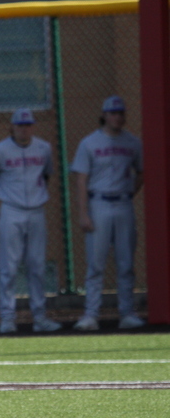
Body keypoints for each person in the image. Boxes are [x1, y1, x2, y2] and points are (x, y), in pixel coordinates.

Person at [0, 108, 62, 334]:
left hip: (36, 211)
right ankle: (7, 318)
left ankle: (40, 317)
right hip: (11, 211)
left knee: (37, 266)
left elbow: (46, 175)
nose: (24, 129)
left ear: (33, 126)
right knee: (9, 267)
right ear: (12, 127)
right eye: (20, 125)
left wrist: (37, 195)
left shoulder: (43, 148)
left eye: (28, 125)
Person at [71, 96, 145, 331]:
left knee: (125, 262)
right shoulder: (89, 143)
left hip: (123, 203)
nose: (117, 117)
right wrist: (83, 213)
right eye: (113, 113)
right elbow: (81, 180)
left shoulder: (133, 142)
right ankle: (91, 314)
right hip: (99, 203)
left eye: (120, 113)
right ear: (104, 115)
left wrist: (128, 194)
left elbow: (141, 172)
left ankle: (127, 313)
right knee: (96, 264)